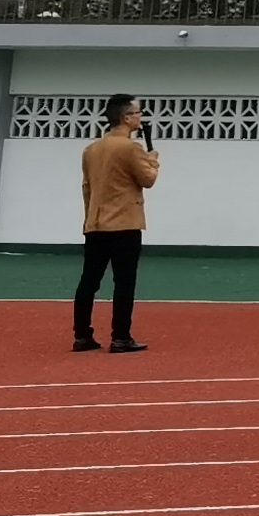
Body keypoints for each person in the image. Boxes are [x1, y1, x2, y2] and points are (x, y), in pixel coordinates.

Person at [76, 95, 160, 351]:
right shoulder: (130, 148)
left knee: (89, 280)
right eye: (138, 113)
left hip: (96, 223)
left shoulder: (91, 150)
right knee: (124, 281)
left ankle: (82, 335)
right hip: (124, 223)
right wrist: (153, 159)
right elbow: (148, 179)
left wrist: (89, 217)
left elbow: (87, 187)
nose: (140, 117)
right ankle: (121, 336)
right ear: (126, 117)